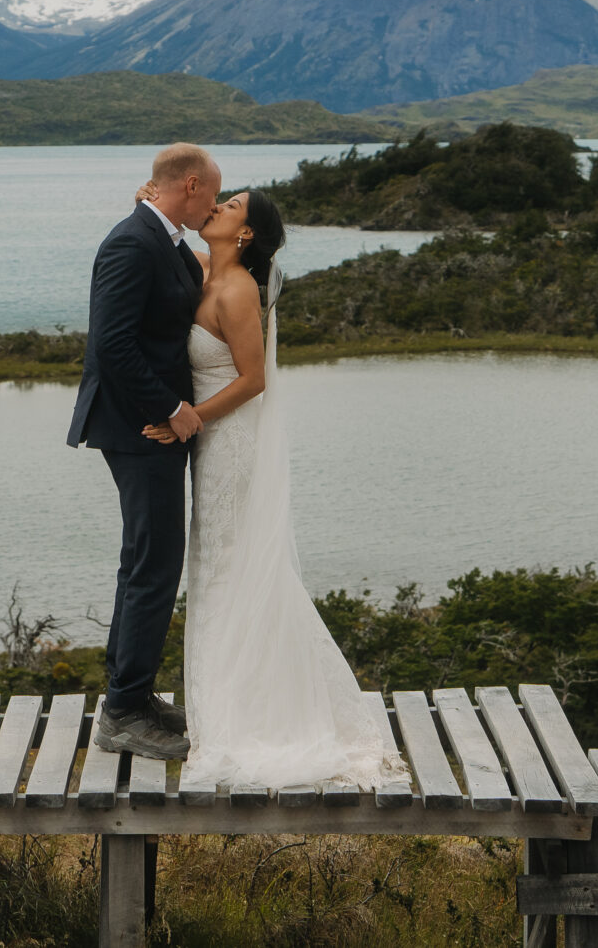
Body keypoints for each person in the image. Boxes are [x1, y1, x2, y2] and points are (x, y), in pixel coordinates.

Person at [142, 187, 405, 791]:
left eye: (230, 205)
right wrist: (151, 204)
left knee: (230, 565)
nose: (217, 206)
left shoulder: (236, 290)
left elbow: (255, 379)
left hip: (230, 442)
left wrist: (193, 417)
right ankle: (226, 702)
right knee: (219, 564)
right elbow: (174, 240)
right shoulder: (211, 269)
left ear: (246, 233)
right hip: (214, 441)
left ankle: (247, 711)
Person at [66, 142, 219, 763]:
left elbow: (192, 282)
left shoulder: (165, 236)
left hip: (148, 426)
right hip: (139, 430)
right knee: (153, 566)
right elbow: (112, 346)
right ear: (188, 185)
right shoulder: (132, 242)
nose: (213, 203)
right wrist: (172, 411)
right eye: (211, 192)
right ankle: (124, 711)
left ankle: (130, 694)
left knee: (145, 562)